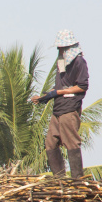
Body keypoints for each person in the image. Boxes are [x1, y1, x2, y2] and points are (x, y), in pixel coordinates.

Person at [32, 29, 90, 180]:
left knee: (71, 143)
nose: (59, 50)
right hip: (57, 110)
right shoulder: (62, 64)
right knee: (50, 144)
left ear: (69, 47)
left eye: (62, 48)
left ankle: (77, 179)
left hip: (69, 109)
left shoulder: (79, 62)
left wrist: (58, 93)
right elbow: (59, 87)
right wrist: (44, 97)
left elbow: (82, 86)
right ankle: (60, 179)